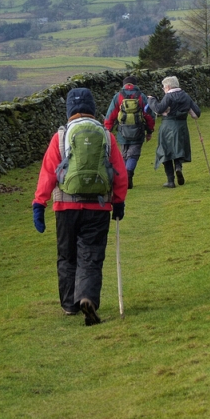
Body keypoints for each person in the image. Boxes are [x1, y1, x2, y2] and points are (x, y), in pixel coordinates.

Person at [32, 88, 128, 326]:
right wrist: (119, 201)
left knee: (67, 255)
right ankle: (87, 297)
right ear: (93, 109)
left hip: (65, 207)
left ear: (69, 110)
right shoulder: (106, 136)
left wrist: (39, 203)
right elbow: (120, 173)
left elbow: (48, 172)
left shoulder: (61, 136)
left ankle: (69, 305)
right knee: (91, 255)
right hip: (98, 207)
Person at [146, 76, 201, 188]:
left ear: (168, 86)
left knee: (165, 152)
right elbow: (196, 113)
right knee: (178, 149)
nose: (163, 89)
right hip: (181, 127)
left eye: (163, 87)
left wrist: (151, 100)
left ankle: (170, 181)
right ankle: (178, 167)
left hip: (167, 126)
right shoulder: (185, 96)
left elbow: (158, 109)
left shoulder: (168, 96)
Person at [103, 75, 156, 189]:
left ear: (124, 85)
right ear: (135, 85)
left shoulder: (118, 96)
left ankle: (124, 177)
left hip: (122, 131)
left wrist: (107, 129)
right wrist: (149, 131)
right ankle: (128, 174)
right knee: (134, 154)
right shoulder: (141, 97)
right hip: (138, 130)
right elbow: (149, 115)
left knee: (124, 154)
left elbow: (111, 114)